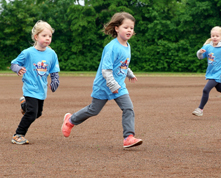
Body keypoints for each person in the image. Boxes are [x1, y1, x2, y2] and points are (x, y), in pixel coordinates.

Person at [61, 12, 143, 148]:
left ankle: (128, 137)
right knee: (94, 110)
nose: (129, 30)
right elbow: (106, 70)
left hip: (119, 86)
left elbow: (123, 64)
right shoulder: (111, 47)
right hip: (104, 85)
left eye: (132, 28)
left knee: (128, 108)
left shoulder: (127, 46)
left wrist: (129, 73)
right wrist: (112, 85)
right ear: (117, 28)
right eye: (126, 27)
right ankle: (70, 120)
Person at [10, 20, 60, 144]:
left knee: (37, 113)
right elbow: (13, 64)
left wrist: (55, 80)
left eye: (50, 36)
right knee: (31, 114)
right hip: (30, 87)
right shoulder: (28, 53)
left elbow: (54, 70)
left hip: (41, 88)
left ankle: (24, 105)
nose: (48, 38)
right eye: (44, 35)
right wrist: (18, 69)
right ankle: (18, 135)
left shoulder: (52, 54)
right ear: (36, 37)